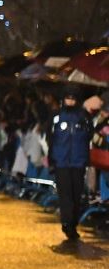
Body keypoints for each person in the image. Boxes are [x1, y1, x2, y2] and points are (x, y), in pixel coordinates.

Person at [48, 87, 92, 242]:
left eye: (73, 98)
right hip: (61, 161)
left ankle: (73, 223)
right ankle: (67, 223)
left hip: (78, 162)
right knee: (65, 194)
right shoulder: (56, 117)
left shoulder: (84, 117)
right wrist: (51, 159)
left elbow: (89, 137)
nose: (70, 101)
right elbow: (50, 138)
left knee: (76, 194)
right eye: (68, 98)